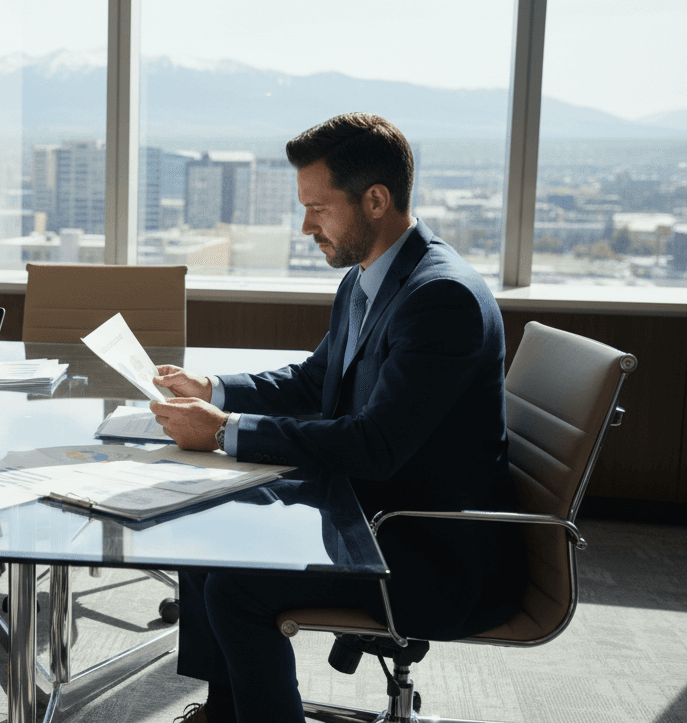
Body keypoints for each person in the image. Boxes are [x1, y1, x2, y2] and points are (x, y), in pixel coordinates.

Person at [148, 113, 526, 723]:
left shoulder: (440, 298)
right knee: (208, 531)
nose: (305, 227)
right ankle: (227, 714)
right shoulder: (369, 278)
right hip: (366, 512)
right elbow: (314, 380)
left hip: (426, 553)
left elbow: (375, 445)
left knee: (238, 588)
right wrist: (213, 388)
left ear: (375, 200)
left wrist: (222, 431)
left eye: (317, 209)